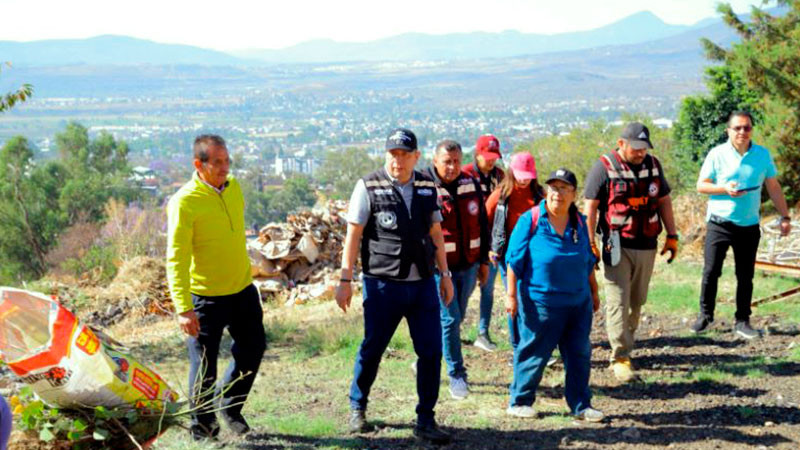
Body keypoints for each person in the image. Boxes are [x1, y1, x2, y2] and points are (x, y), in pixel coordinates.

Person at [335, 128, 454, 445]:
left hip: (422, 284)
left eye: (404, 154)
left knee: (431, 352)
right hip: (383, 285)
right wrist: (345, 281)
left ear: (416, 157)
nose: (397, 160)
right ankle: (358, 407)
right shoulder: (368, 186)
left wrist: (445, 275)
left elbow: (436, 233)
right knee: (373, 348)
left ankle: (425, 419)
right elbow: (353, 236)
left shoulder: (427, 186)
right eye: (393, 154)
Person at [166, 135, 266, 440]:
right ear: (199, 164)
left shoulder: (233, 187)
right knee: (204, 366)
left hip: (242, 291)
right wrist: (183, 308)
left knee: (253, 349)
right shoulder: (184, 202)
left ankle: (230, 407)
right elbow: (176, 258)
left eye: (227, 161)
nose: (225, 168)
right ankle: (203, 429)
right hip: (205, 299)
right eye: (218, 162)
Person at [504, 168, 603, 421]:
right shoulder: (531, 219)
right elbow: (513, 261)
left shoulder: (579, 222)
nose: (557, 193)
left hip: (578, 303)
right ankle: (520, 401)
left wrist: (594, 291)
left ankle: (581, 405)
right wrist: (511, 296)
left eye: (563, 188)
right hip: (541, 303)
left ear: (574, 194)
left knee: (579, 354)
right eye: (553, 187)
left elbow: (587, 261)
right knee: (534, 353)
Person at [583, 122, 678, 383]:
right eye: (635, 148)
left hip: (647, 243)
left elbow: (664, 201)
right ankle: (620, 357)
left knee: (637, 301)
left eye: (644, 148)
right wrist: (589, 244)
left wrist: (672, 235)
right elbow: (590, 207)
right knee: (618, 300)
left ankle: (627, 343)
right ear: (621, 143)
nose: (640, 153)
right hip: (615, 243)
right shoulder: (603, 167)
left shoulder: (654, 165)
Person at [692, 111, 792, 339]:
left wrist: (785, 217)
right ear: (728, 130)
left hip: (748, 225)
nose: (742, 132)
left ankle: (742, 320)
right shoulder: (717, 154)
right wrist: (724, 189)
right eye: (737, 128)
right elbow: (701, 185)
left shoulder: (762, 155)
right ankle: (705, 316)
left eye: (747, 128)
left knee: (745, 275)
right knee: (711, 271)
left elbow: (773, 187)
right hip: (719, 222)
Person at [426, 139, 490, 400]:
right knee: (450, 320)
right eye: (446, 162)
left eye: (456, 161)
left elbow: (482, 222)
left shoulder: (470, 183)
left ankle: (427, 356)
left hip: (469, 266)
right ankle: (457, 375)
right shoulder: (424, 187)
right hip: (440, 270)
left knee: (456, 318)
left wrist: (483, 261)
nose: (452, 167)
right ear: (435, 162)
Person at [485, 152, 544, 358]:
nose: (524, 180)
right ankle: (518, 348)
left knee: (533, 300)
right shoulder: (501, 195)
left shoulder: (540, 196)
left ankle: (533, 345)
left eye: (528, 176)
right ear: (511, 172)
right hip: (508, 257)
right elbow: (485, 220)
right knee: (515, 299)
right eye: (520, 176)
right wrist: (490, 247)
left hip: (534, 256)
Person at [463, 134, 505, 351]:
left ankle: (483, 332)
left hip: (493, 242)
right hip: (469, 242)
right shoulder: (465, 175)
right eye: (487, 156)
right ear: (477, 154)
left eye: (494, 157)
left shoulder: (500, 176)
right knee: (465, 288)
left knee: (488, 288)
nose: (491, 161)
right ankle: (450, 331)